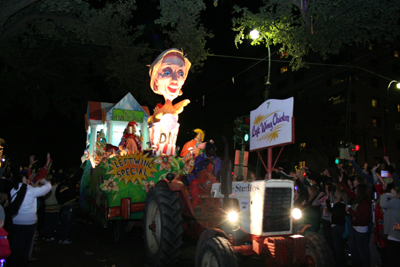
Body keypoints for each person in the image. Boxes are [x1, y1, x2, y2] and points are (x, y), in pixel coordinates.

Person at [8, 153, 52, 267]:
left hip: (15, 221)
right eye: (30, 178)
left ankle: (14, 261)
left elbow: (30, 176)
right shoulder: (31, 191)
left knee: (15, 244)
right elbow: (47, 186)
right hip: (28, 222)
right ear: (27, 180)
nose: (32, 178)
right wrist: (45, 182)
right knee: (26, 246)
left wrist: (30, 165)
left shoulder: (13, 189)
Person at [147, 48, 191, 156]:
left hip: (170, 158)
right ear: (156, 79)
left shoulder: (175, 111)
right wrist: (156, 118)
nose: (175, 79)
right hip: (155, 159)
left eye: (181, 73)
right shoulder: (159, 112)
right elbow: (150, 122)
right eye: (167, 72)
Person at [343, 181, 372, 267]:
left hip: (361, 230)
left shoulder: (364, 203)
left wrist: (350, 211)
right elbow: (349, 193)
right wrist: (342, 182)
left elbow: (363, 216)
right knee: (358, 250)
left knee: (362, 251)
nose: (355, 191)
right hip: (356, 228)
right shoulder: (359, 199)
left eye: (356, 190)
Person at [56, 166, 84, 244]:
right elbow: (77, 177)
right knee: (68, 223)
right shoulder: (70, 183)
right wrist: (81, 169)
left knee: (63, 223)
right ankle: (64, 239)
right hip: (69, 207)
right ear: (71, 176)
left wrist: (61, 203)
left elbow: (57, 195)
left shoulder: (60, 185)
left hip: (63, 207)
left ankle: (60, 238)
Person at [326, 186, 348, 267]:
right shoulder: (342, 205)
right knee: (339, 246)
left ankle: (340, 263)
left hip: (337, 227)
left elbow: (331, 211)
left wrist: (327, 201)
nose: (335, 193)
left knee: (338, 247)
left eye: (336, 192)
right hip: (339, 227)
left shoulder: (339, 205)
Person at [379, 186, 400, 267]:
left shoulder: (395, 201)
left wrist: (387, 194)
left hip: (394, 233)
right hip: (395, 233)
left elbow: (383, 203)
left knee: (392, 258)